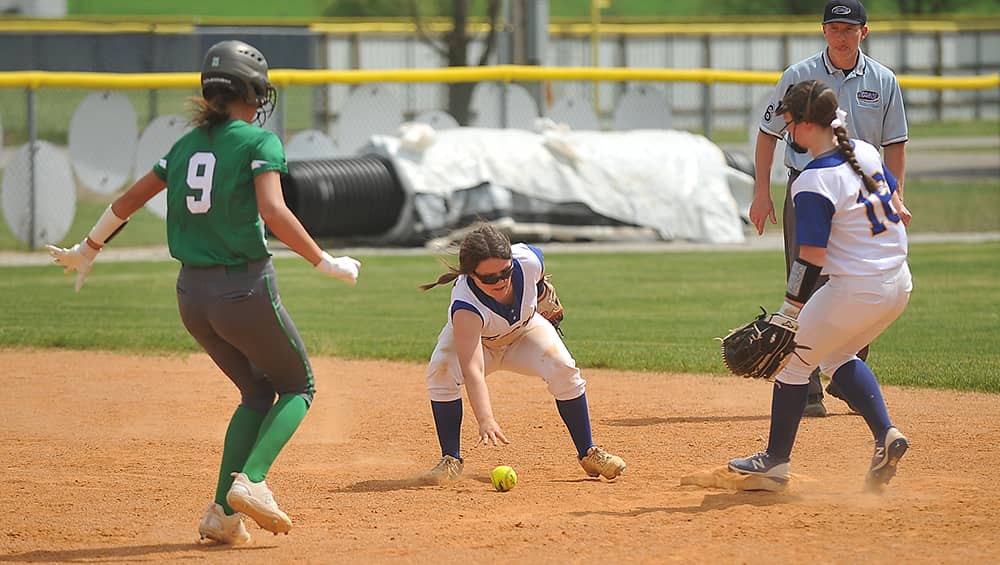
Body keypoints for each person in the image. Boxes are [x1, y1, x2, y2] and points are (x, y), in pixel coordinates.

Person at [46, 40, 362, 544]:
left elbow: (127, 200)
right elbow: (274, 211)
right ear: (254, 92)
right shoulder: (260, 144)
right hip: (245, 290)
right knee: (299, 386)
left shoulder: (186, 144)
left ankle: (222, 515)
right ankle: (252, 482)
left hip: (191, 297)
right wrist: (325, 261)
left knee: (257, 393)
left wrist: (88, 247)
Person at [728, 80, 911, 491]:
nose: (788, 132)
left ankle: (775, 463)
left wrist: (790, 309)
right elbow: (894, 200)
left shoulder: (812, 181)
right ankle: (886, 435)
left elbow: (810, 256)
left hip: (856, 289)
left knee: (792, 363)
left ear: (809, 124)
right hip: (898, 284)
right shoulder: (863, 151)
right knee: (837, 355)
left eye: (790, 123)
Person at [749, 0, 911, 417]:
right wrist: (761, 192)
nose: (842, 35)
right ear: (823, 31)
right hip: (808, 189)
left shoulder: (883, 80)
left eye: (849, 28)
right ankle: (808, 388)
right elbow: (768, 132)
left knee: (859, 281)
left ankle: (845, 374)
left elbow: (895, 143)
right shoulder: (799, 76)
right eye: (834, 28)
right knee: (807, 279)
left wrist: (896, 194)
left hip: (862, 194)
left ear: (864, 32)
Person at [418, 222, 626, 483]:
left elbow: (537, 277)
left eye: (506, 272)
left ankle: (589, 452)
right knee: (442, 373)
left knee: (564, 368)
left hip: (525, 332)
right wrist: (486, 419)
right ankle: (450, 457)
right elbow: (473, 370)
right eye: (489, 278)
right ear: (471, 275)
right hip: (481, 343)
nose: (501, 281)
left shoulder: (527, 261)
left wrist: (539, 294)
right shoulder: (466, 309)